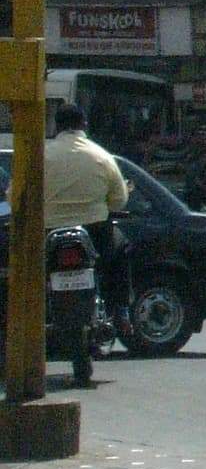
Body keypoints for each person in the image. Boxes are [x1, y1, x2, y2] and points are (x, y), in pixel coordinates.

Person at [45, 102, 130, 313]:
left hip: (48, 230)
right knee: (122, 248)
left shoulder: (42, 155)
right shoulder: (101, 156)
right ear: (84, 124)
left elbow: (15, 195)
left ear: (56, 127)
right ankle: (120, 311)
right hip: (94, 231)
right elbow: (119, 201)